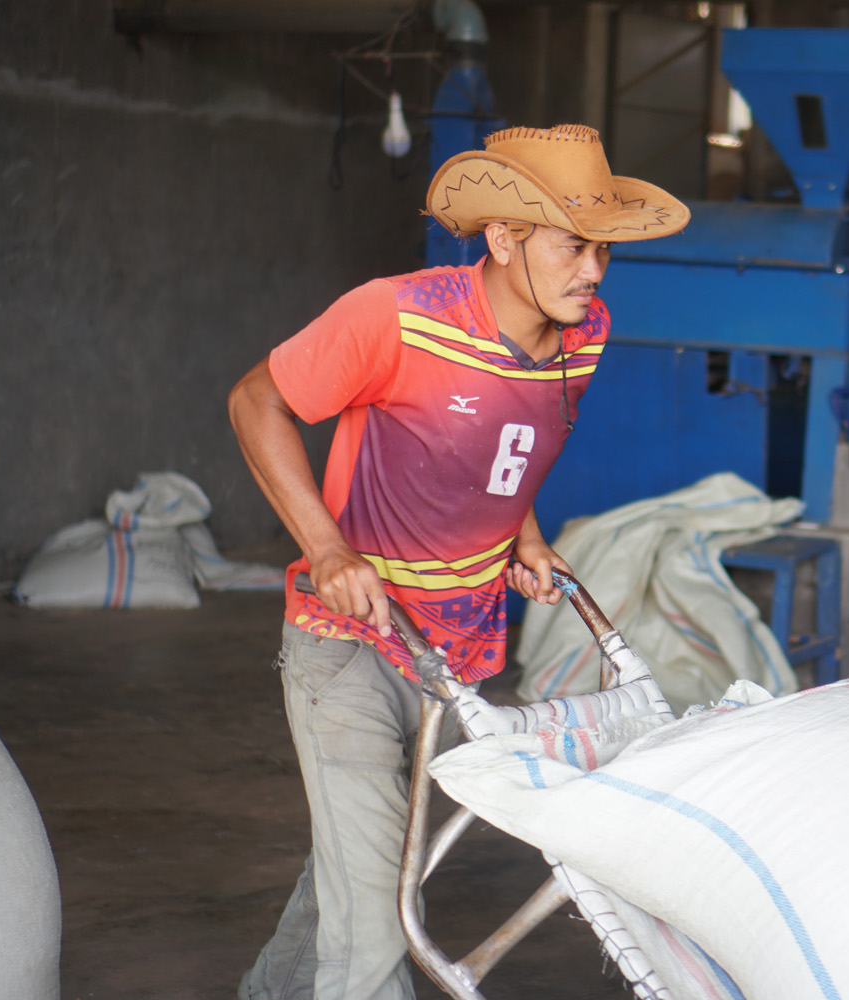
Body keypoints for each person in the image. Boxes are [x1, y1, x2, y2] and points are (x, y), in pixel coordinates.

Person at [227, 123, 689, 1000]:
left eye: (601, 250)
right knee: (377, 926)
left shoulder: (582, 337)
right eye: (571, 245)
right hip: (350, 644)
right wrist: (327, 549)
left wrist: (523, 533)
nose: (591, 271)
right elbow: (256, 402)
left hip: (458, 659)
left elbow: (504, 443)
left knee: (364, 869)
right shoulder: (396, 316)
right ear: (506, 236)